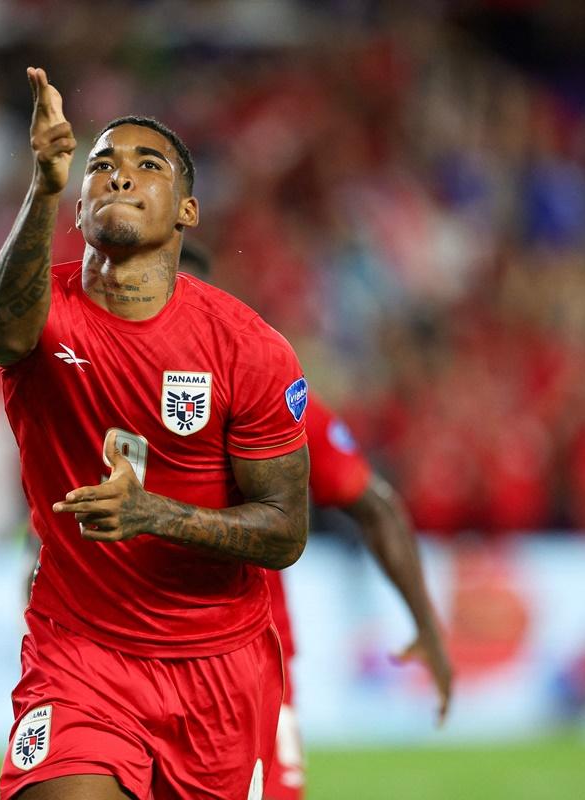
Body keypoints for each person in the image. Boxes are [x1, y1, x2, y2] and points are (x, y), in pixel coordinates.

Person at [0, 67, 311, 800]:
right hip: (81, 653)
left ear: (187, 210)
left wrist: (154, 515)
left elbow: (285, 531)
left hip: (218, 670)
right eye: (101, 165)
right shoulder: (39, 309)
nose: (118, 175)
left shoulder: (247, 349)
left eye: (145, 165)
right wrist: (43, 183)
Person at [177, 241, 453, 800]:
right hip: (122, 661)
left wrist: (425, 620)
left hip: (246, 667)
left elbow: (373, 506)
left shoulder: (268, 397)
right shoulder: (92, 391)